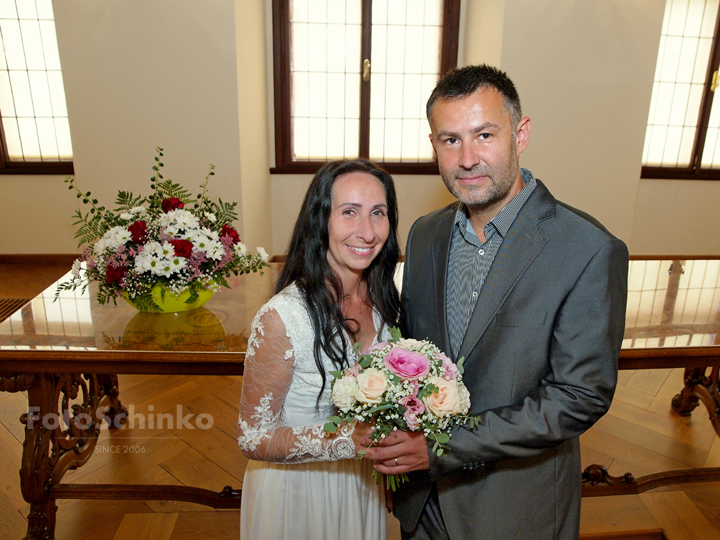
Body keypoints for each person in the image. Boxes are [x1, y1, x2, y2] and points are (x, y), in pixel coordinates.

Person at [360, 65, 629, 539]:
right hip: (423, 502)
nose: (467, 158)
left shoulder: (587, 248)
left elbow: (579, 396)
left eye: (484, 135)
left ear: (520, 134)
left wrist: (441, 448)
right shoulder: (426, 234)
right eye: (450, 140)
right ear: (433, 146)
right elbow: (412, 354)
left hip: (514, 507)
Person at [237, 159, 401, 540]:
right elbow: (252, 437)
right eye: (349, 213)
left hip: (360, 487)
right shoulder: (283, 317)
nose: (367, 231)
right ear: (320, 220)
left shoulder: (385, 301)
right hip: (298, 495)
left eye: (378, 213)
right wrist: (352, 438)